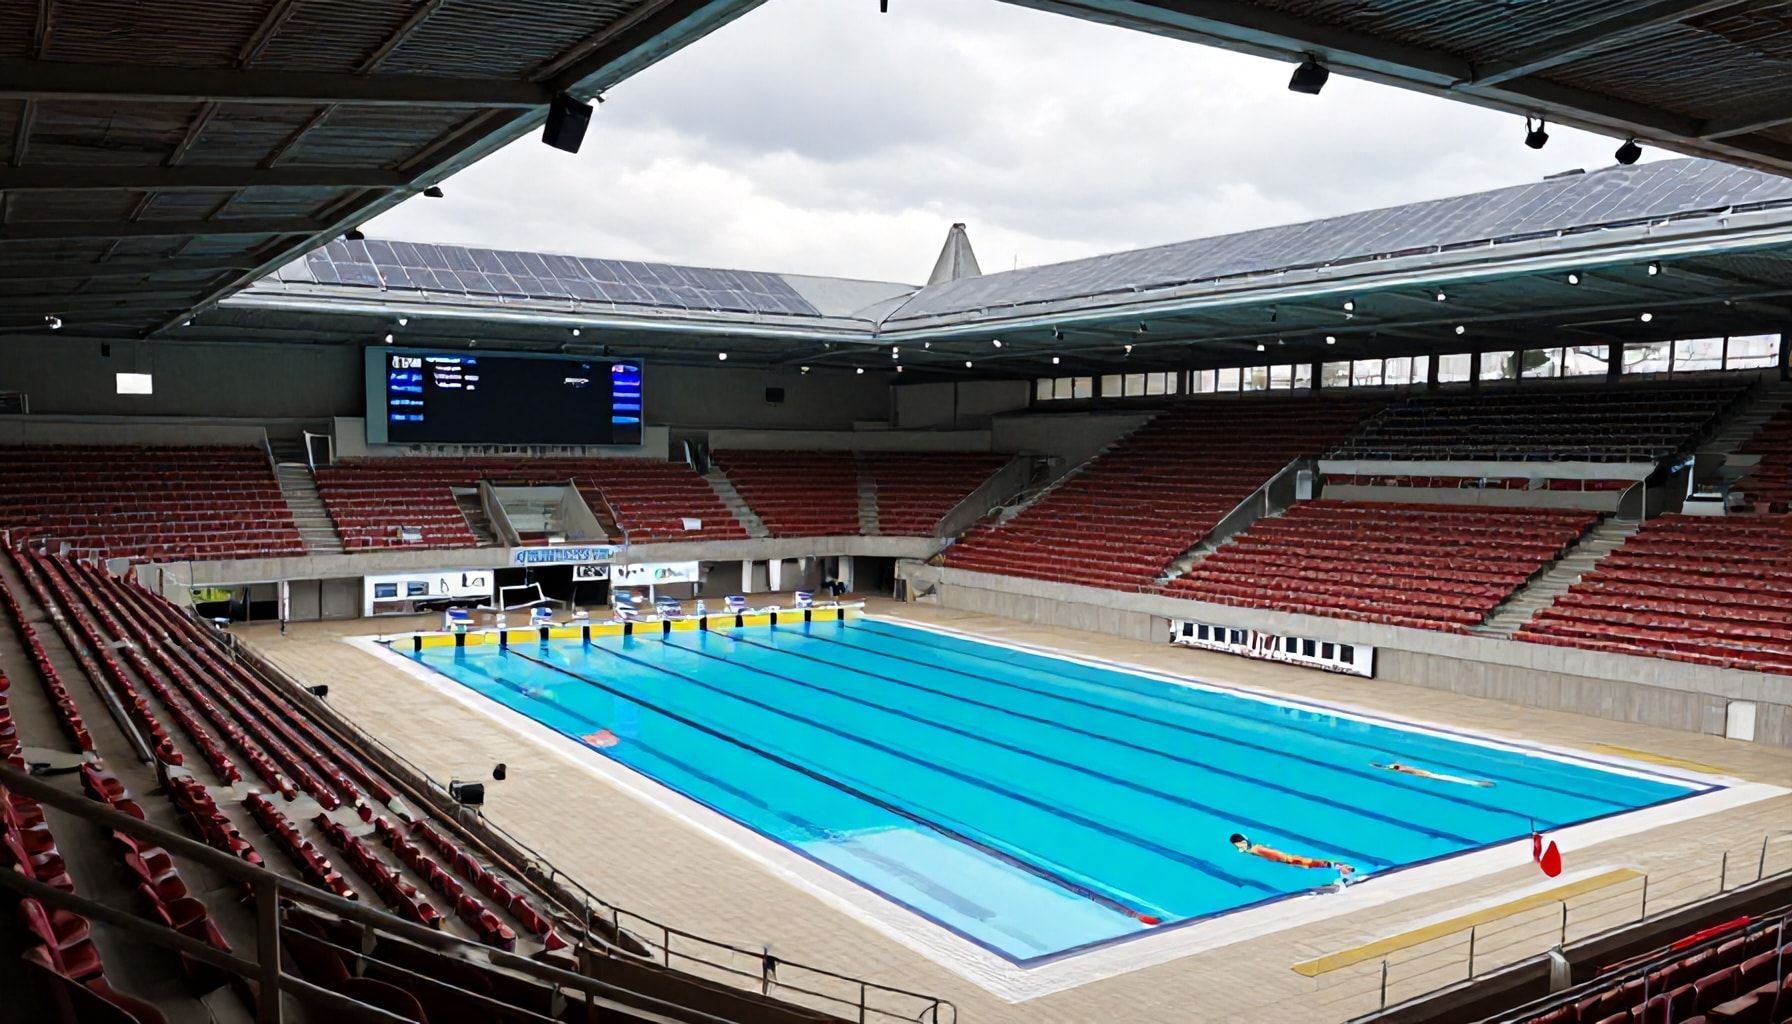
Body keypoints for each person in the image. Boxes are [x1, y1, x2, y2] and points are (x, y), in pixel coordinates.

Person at [1230, 833, 1355, 878]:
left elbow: (1276, 854)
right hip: (1283, 860)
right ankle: (1338, 867)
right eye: (1238, 845)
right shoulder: (1250, 848)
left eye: (1241, 844)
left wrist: (1285, 859)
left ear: (1245, 841)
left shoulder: (1257, 849)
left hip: (1287, 859)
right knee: (1309, 865)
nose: (1240, 846)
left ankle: (1341, 867)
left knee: (1308, 863)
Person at [1371, 761, 1494, 787]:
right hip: (1430, 775)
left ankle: (1478, 784)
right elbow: (1393, 767)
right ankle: (1478, 784)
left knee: (1455, 780)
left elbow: (1392, 768)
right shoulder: (1404, 768)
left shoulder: (1404, 769)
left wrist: (1379, 767)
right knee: (1455, 780)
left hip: (1429, 775)